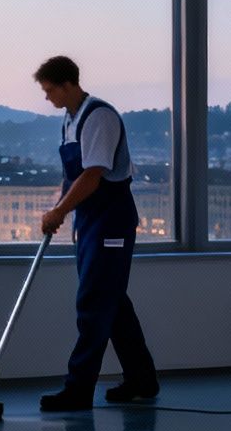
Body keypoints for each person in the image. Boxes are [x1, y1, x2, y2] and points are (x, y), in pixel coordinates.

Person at [34, 56, 159, 411]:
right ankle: (142, 380)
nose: (47, 98)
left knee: (93, 301)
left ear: (67, 84)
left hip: (112, 219)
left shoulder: (99, 117)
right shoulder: (69, 121)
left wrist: (60, 210)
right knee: (113, 302)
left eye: (49, 91)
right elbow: (72, 177)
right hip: (89, 221)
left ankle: (78, 389)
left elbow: (93, 175)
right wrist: (62, 212)